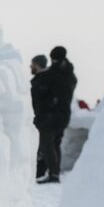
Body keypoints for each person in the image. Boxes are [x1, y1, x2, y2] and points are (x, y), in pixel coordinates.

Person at [35, 46, 78, 184]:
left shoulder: (54, 74)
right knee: (55, 144)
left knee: (47, 144)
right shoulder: (70, 75)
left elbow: (41, 90)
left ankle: (53, 174)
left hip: (52, 115)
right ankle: (55, 173)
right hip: (64, 114)